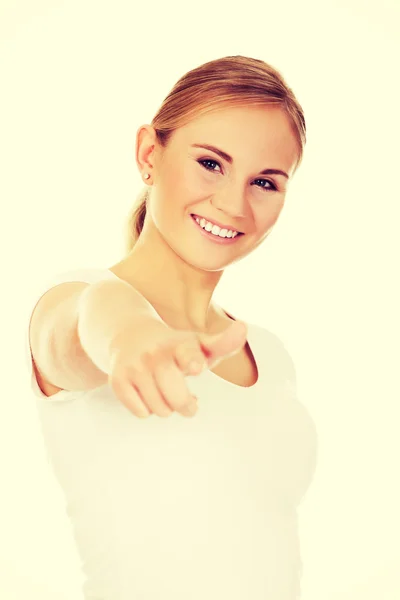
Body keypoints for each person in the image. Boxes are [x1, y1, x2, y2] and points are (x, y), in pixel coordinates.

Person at [25, 55, 318, 599]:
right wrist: (128, 337)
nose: (234, 204)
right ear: (149, 154)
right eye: (211, 163)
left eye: (265, 182)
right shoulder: (75, 300)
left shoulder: (269, 355)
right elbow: (88, 323)